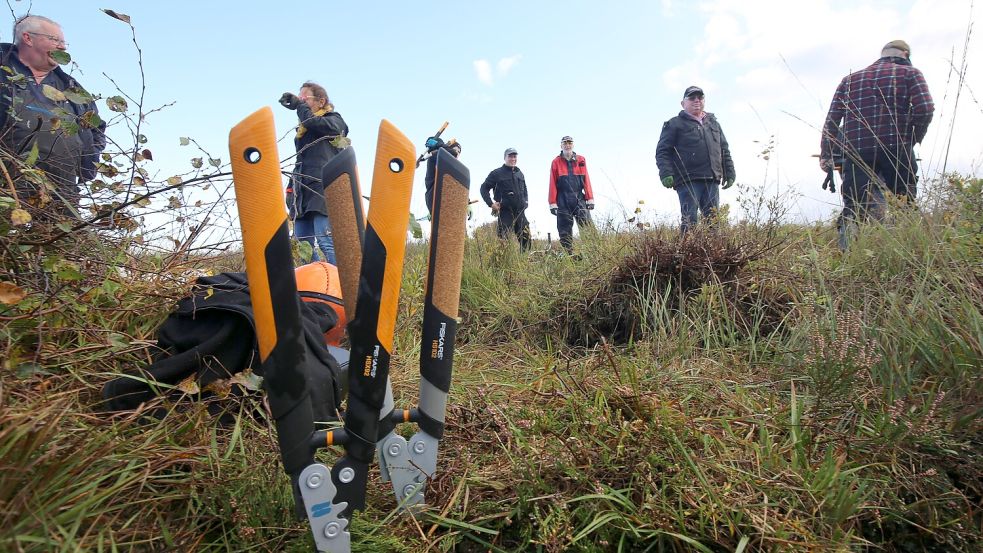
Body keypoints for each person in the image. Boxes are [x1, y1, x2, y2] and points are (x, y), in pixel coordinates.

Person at [820, 40, 934, 250]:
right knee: (903, 204)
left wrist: (826, 155)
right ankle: (907, 253)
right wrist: (914, 137)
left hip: (857, 153)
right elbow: (925, 108)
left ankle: (847, 257)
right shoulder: (910, 74)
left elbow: (832, 121)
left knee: (854, 207)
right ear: (905, 54)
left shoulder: (850, 80)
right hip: (896, 149)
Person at [0, 14, 106, 218]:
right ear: (28, 38)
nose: (63, 47)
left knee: (62, 245)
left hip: (61, 193)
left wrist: (86, 164)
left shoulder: (72, 89)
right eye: (55, 40)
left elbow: (96, 129)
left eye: (63, 42)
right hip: (7, 184)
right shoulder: (3, 71)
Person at [279, 81, 349, 264]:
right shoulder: (303, 131)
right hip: (301, 190)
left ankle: (339, 288)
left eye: (304, 97)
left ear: (321, 101)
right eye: (299, 97)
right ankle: (316, 287)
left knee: (326, 242)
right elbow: (300, 161)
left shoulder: (334, 120)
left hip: (322, 186)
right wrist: (290, 189)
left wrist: (300, 107)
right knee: (303, 245)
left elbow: (318, 124)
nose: (300, 101)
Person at [655, 86, 735, 234]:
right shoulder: (674, 124)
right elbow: (662, 151)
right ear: (683, 103)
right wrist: (665, 173)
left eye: (700, 97)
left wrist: (729, 172)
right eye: (692, 97)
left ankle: (713, 256)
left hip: (711, 179)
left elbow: (724, 150)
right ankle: (686, 255)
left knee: (713, 223)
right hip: (687, 181)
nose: (696, 100)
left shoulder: (714, 124)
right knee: (689, 221)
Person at [548, 136, 595, 253]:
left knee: (587, 227)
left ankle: (592, 254)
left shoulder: (581, 160)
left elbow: (586, 179)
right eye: (565, 143)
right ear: (561, 146)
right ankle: (569, 255)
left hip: (579, 197)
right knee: (564, 230)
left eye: (569, 143)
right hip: (562, 199)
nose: (567, 145)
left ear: (573, 145)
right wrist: (552, 203)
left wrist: (590, 198)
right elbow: (552, 182)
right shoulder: (556, 162)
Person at [480, 147, 530, 250]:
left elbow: (525, 189)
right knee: (503, 241)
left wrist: (526, 202)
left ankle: (525, 262)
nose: (513, 159)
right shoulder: (496, 173)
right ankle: (502, 264)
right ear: (505, 158)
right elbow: (483, 188)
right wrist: (491, 204)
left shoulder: (519, 173)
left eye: (514, 156)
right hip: (505, 212)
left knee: (526, 239)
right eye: (510, 156)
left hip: (520, 212)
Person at [424, 139, 462, 217]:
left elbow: (457, 188)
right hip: (435, 199)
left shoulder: (454, 169)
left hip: (449, 205)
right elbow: (451, 153)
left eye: (459, 152)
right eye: (455, 150)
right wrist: (440, 145)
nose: (457, 153)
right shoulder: (436, 157)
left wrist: (466, 202)